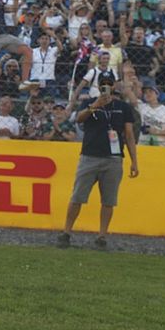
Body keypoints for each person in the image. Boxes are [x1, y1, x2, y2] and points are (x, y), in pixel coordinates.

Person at [58, 72, 139, 250]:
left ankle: (102, 235)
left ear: (114, 86)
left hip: (113, 158)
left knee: (109, 200)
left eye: (109, 83)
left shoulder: (123, 107)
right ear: (98, 86)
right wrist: (95, 106)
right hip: (90, 156)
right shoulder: (89, 102)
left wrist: (134, 160)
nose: (106, 87)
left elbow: (129, 134)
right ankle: (66, 232)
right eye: (103, 84)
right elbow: (78, 119)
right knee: (77, 196)